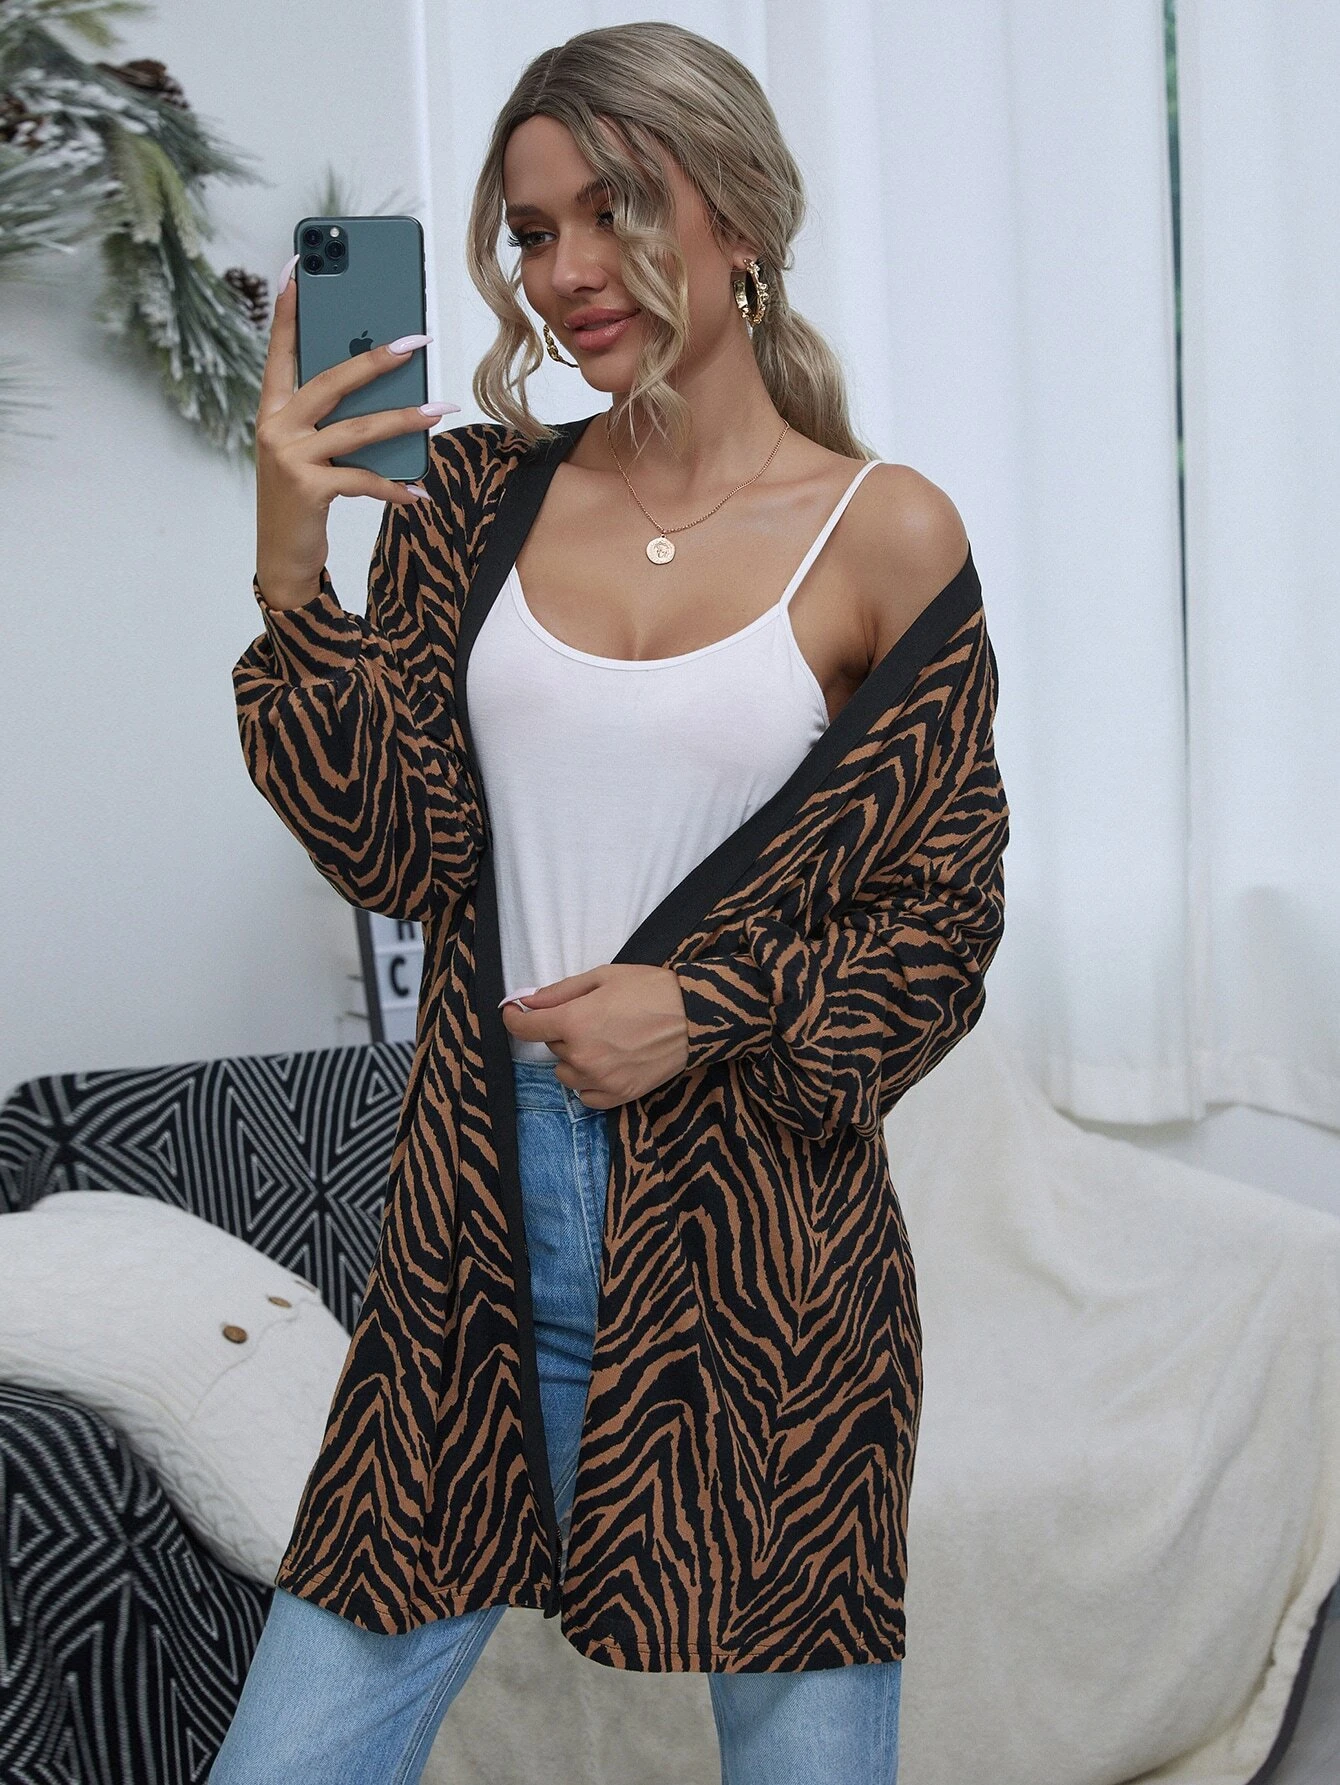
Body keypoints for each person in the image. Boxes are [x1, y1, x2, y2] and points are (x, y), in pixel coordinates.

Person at [214, 20, 993, 1783]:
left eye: (613, 210)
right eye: (529, 231)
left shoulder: (884, 534)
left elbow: (942, 933)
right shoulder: (472, 504)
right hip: (473, 1232)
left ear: (738, 214)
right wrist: (290, 563)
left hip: (763, 1262)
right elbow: (388, 849)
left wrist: (702, 1008)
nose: (565, 272)